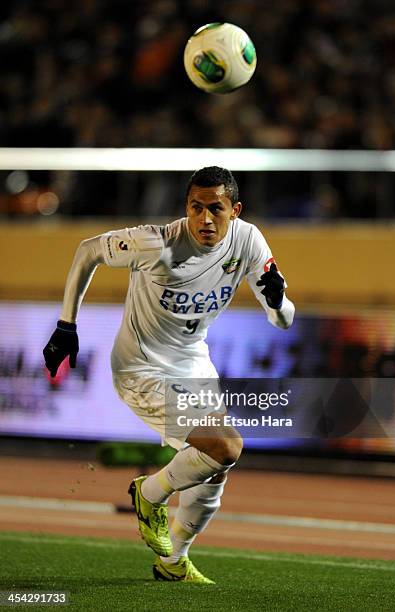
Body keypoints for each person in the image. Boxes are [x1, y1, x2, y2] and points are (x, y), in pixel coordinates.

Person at [43, 166, 295, 583]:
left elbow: (282, 320)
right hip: (141, 368)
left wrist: (278, 299)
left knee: (214, 470)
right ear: (186, 207)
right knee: (227, 446)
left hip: (193, 363)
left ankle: (173, 561)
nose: (205, 219)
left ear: (235, 209)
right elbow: (88, 250)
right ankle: (149, 495)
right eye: (196, 208)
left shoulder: (248, 240)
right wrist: (66, 325)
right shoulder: (154, 243)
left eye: (216, 209)